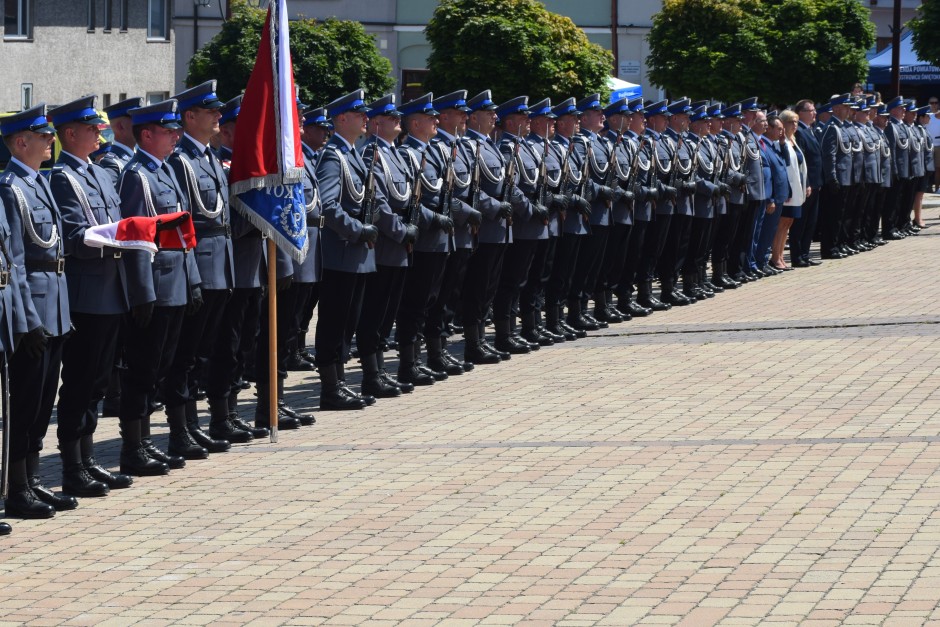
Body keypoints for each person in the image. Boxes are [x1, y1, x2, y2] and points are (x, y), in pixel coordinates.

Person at [48, 95, 134, 498]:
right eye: (90, 127)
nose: (99, 132)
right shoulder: (62, 178)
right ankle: (72, 465)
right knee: (80, 381)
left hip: (112, 288)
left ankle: (88, 457)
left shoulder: (98, 173)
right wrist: (113, 237)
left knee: (100, 382)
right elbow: (72, 237)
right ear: (70, 134)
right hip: (86, 293)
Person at [117, 98, 200, 476]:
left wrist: (194, 279)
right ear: (146, 134)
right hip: (158, 286)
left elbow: (184, 231)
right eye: (168, 132)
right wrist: (143, 291)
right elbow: (135, 237)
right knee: (144, 368)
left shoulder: (164, 171)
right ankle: (135, 447)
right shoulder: (137, 176)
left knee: (165, 365)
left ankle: (150, 442)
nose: (175, 137)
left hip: (177, 282)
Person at [165, 80, 245, 457]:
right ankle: (181, 430)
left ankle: (195, 426)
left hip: (222, 264)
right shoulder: (181, 161)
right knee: (187, 353)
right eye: (210, 111)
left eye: (218, 111)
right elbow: (184, 223)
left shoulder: (211, 157)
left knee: (205, 351)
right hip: (199, 266)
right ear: (189, 117)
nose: (218, 116)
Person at [0, 104, 63, 520]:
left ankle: (33, 479)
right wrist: (28, 320)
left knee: (42, 400)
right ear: (21, 142)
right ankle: (18, 487)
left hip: (53, 304)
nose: (50, 142)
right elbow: (16, 261)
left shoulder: (37, 182)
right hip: (31, 311)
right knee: (24, 401)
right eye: (43, 137)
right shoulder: (11, 187)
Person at [314, 89, 379, 409]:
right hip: (341, 251)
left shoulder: (352, 153)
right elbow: (327, 206)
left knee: (349, 322)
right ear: (341, 119)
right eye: (359, 114)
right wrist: (357, 231)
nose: (366, 118)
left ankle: (339, 382)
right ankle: (330, 388)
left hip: (356, 254)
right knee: (335, 321)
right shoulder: (332, 156)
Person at [356, 93, 418, 396]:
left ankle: (380, 370)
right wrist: (400, 231)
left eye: (398, 117)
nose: (397, 121)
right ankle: (371, 374)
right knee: (375, 311)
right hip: (384, 245)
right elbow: (377, 201)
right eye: (391, 118)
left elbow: (405, 197)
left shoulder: (394, 153)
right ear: (377, 124)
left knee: (388, 311)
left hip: (398, 244)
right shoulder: (372, 153)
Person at [770, 109, 807, 270]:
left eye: (796, 122)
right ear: (783, 124)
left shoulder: (793, 140)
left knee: (789, 223)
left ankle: (781, 257)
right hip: (788, 189)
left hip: (797, 188)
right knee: (782, 222)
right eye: (791, 121)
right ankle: (775, 257)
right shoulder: (781, 142)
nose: (795, 125)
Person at [789, 99, 823, 267]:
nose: (814, 113)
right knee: (801, 223)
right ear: (800, 113)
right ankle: (797, 256)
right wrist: (807, 183)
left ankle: (805, 253)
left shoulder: (810, 130)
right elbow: (802, 161)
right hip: (807, 185)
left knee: (811, 222)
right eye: (810, 110)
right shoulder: (800, 132)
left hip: (816, 183)